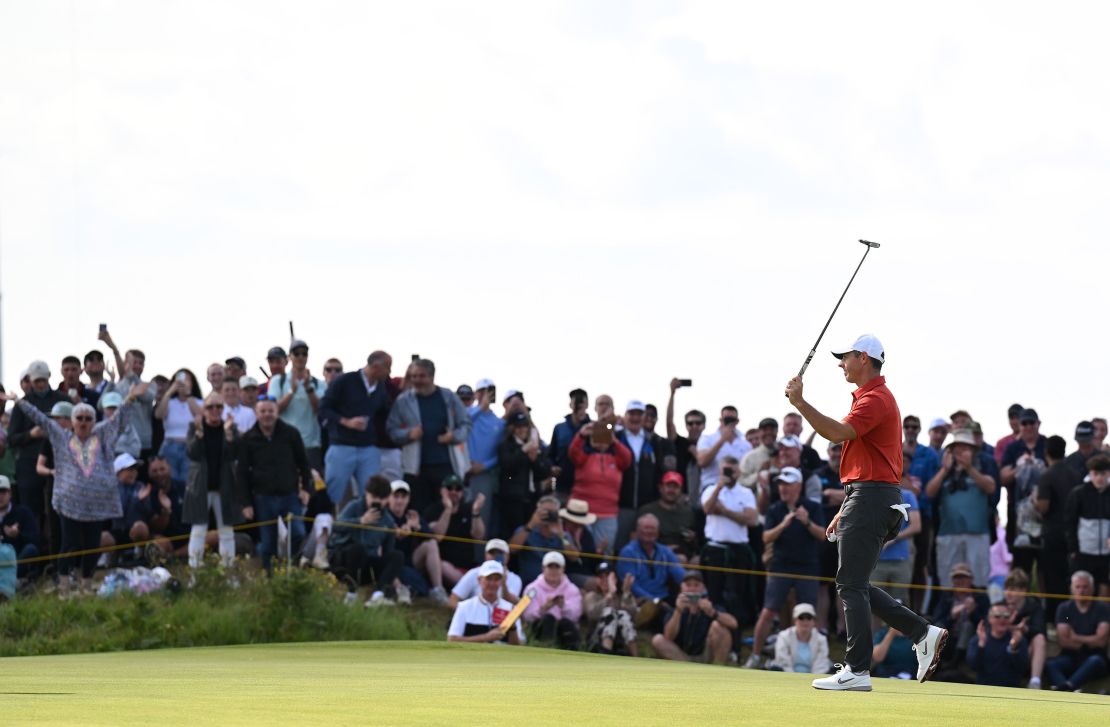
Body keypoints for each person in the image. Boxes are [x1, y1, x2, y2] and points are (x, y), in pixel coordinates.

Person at [785, 333, 941, 692]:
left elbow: (837, 433)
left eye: (846, 357)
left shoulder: (875, 399)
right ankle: (923, 632)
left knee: (849, 584)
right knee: (855, 583)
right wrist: (846, 505)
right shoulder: (872, 398)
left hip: (872, 497)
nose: (841, 363)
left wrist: (801, 403)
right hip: (869, 495)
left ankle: (857, 669)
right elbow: (865, 462)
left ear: (865, 357)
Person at [6, 384, 147, 593]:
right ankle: (63, 583)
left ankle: (86, 584)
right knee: (69, 544)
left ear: (94, 421)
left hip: (96, 504)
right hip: (69, 503)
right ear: (72, 422)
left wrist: (130, 399)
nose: (83, 422)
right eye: (79, 418)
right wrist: (18, 401)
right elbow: (40, 418)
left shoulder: (103, 435)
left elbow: (118, 419)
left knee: (91, 545)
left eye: (88, 418)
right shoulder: (61, 436)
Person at [748, 466, 825, 668]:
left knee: (808, 614)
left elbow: (823, 535)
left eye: (787, 484)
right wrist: (783, 524)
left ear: (798, 486)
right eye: (780, 484)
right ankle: (755, 657)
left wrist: (806, 521)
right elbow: (765, 537)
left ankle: (815, 661)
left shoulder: (813, 507)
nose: (783, 488)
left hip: (807, 568)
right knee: (768, 612)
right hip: (780, 566)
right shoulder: (775, 509)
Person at [387, 358, 472, 513]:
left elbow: (466, 425)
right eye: (413, 376)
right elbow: (392, 430)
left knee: (447, 510)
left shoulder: (448, 397)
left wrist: (452, 436)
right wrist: (409, 434)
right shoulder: (403, 400)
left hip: (446, 466)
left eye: (421, 376)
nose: (417, 380)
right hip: (415, 468)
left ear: (432, 376)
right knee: (417, 511)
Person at [237, 398, 312, 572]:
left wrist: (307, 489)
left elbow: (304, 464)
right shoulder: (248, 439)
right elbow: (242, 473)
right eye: (263, 411)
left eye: (270, 411)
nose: (267, 415)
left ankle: (292, 568)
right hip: (263, 496)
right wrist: (246, 503)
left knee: (298, 533)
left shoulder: (291, 433)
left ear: (277, 412)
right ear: (256, 414)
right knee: (268, 541)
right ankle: (269, 576)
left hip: (289, 494)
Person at [319, 351, 397, 505]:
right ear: (375, 367)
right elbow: (324, 408)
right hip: (341, 446)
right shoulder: (345, 381)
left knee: (372, 494)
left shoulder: (380, 388)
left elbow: (385, 413)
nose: (390, 372)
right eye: (387, 367)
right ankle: (330, 527)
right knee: (333, 494)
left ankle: (368, 525)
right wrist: (345, 421)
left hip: (368, 448)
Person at [925, 430, 996, 588]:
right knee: (947, 581)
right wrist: (944, 470)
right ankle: (949, 610)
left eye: (965, 447)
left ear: (973, 450)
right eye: (957, 447)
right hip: (948, 534)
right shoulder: (944, 471)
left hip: (977, 534)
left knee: (979, 581)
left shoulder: (982, 466)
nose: (961, 450)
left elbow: (991, 487)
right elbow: (929, 492)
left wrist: (970, 468)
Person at [183, 392, 242, 568]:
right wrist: (200, 433)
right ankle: (194, 571)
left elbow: (234, 454)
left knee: (227, 532)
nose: (215, 410)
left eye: (219, 406)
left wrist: (229, 435)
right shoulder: (194, 427)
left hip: (224, 486)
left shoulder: (231, 427)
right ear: (204, 409)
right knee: (198, 530)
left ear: (223, 409)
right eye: (210, 407)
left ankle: (228, 571)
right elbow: (192, 454)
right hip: (200, 486)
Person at [329, 475, 406, 607]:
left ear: (387, 499)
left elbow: (388, 551)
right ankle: (351, 594)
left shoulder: (387, 520)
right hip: (345, 561)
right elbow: (335, 526)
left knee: (397, 556)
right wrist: (360, 521)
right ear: (367, 494)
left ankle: (378, 595)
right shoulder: (354, 506)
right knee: (357, 549)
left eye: (381, 498)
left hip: (367, 564)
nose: (377, 501)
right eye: (374, 497)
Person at [6, 361, 65, 531]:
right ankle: (35, 551)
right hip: (29, 463)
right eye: (36, 381)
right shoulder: (21, 405)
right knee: (31, 511)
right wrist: (32, 434)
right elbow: (12, 439)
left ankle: (56, 555)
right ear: (31, 380)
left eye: (43, 380)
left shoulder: (61, 400)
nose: (40, 384)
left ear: (49, 378)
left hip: (57, 461)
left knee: (58, 512)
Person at [701, 457, 759, 629]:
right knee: (714, 592)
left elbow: (752, 519)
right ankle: (714, 628)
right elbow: (707, 509)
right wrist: (719, 487)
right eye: (725, 470)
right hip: (715, 549)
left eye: (732, 470)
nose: (729, 474)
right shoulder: (711, 489)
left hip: (738, 550)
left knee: (738, 593)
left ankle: (737, 629)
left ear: (738, 471)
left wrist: (725, 511)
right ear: (719, 470)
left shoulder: (745, 493)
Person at [616, 399, 673, 550]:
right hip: (622, 505)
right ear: (625, 415)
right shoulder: (616, 437)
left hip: (647, 507)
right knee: (620, 546)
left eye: (639, 414)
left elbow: (661, 471)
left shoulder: (654, 441)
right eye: (631, 414)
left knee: (646, 548)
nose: (635, 418)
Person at [567, 419, 632, 554]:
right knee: (581, 549)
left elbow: (627, 459)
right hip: (582, 513)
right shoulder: (583, 457)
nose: (600, 440)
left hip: (608, 514)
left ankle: (603, 574)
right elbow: (573, 452)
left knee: (605, 550)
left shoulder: (616, 460)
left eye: (603, 437)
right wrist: (582, 435)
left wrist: (614, 441)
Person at [1035, 435, 1082, 618]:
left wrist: (1035, 501)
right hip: (1074, 534)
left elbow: (1043, 507)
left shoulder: (1047, 475)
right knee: (1070, 576)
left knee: (1052, 579)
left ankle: (1056, 619)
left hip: (1053, 534)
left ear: (1046, 452)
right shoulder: (1076, 474)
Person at [651, 570, 738, 665]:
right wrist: (678, 611)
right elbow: (668, 636)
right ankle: (690, 669)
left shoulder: (709, 606)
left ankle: (716, 670)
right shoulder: (674, 608)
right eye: (688, 585)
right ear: (682, 588)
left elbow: (733, 623)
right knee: (658, 640)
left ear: (703, 588)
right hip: (681, 656)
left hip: (705, 654)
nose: (692, 589)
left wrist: (712, 612)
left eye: (696, 585)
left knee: (718, 627)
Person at [1045, 571, 1110, 691]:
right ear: (1072, 589)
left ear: (1092, 589)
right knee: (1051, 664)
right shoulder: (1065, 610)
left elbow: (1101, 641)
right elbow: (1063, 641)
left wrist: (1075, 637)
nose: (1081, 591)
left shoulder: (1102, 609)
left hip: (1096, 657)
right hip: (1071, 657)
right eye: (1078, 587)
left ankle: (1067, 688)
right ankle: (1067, 689)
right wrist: (1091, 640)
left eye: (1085, 587)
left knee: (1094, 661)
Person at [267, 339, 326, 471]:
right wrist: (291, 392)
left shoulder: (318, 383)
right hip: (284, 444)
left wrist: (309, 389)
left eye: (304, 354)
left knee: (312, 487)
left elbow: (321, 410)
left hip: (311, 446)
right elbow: (273, 410)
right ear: (290, 357)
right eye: (296, 353)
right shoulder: (278, 381)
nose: (300, 357)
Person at [385, 480, 446, 603]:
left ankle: (438, 590)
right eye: (396, 496)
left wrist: (418, 528)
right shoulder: (384, 515)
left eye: (403, 497)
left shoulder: (411, 516)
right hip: (387, 560)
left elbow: (433, 537)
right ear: (388, 498)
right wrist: (398, 533)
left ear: (408, 499)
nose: (399, 501)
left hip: (410, 560)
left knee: (431, 544)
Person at [929, 562, 991, 678]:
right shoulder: (946, 596)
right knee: (938, 627)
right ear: (952, 580)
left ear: (971, 579)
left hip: (971, 639)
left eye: (963, 577)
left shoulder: (981, 597)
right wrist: (951, 616)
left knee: (968, 626)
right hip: (948, 638)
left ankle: (955, 663)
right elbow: (936, 619)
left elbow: (987, 622)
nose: (960, 581)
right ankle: (935, 663)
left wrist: (973, 612)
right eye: (957, 577)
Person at [497, 411, 551, 539]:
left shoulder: (537, 447)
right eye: (518, 426)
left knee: (532, 536)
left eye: (524, 426)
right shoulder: (506, 446)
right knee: (514, 534)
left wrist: (534, 460)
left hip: (532, 499)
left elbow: (544, 473)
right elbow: (507, 467)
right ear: (513, 428)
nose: (522, 430)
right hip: (513, 500)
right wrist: (523, 451)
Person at [1063, 454, 1110, 597]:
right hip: (1083, 552)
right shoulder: (1079, 493)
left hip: (1105, 553)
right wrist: (1073, 549)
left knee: (1104, 588)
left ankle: (1102, 618)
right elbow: (1070, 523)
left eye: (1103, 473)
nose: (1099, 478)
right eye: (1096, 474)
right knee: (1082, 588)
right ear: (1090, 473)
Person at [871, 468, 920, 604]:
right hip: (876, 559)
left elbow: (916, 525)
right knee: (873, 603)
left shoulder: (908, 495)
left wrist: (893, 538)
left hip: (900, 559)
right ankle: (875, 627)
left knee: (901, 603)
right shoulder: (871, 497)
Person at [424, 474, 485, 582]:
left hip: (468, 567)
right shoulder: (433, 510)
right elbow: (438, 535)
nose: (453, 492)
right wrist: (448, 509)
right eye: (449, 488)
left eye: (458, 489)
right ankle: (468, 587)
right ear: (442, 491)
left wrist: (476, 512)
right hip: (445, 567)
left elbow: (479, 535)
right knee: (443, 565)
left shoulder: (467, 509)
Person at [447, 560, 524, 644]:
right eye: (488, 578)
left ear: (502, 581)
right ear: (479, 580)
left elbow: (518, 646)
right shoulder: (464, 607)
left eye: (496, 579)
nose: (492, 583)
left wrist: (513, 628)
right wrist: (486, 637)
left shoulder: (510, 609)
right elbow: (452, 639)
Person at [616, 514, 685, 605]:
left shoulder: (665, 552)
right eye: (646, 528)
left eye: (653, 528)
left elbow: (680, 575)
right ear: (638, 530)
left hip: (663, 599)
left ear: (658, 531)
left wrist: (695, 588)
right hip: (638, 600)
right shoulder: (628, 552)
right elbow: (633, 586)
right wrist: (654, 601)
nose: (649, 531)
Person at [466, 379, 503, 542]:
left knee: (482, 516)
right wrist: (481, 408)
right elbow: (462, 424)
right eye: (482, 391)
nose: (486, 394)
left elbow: (499, 454)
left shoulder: (499, 423)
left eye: (490, 391)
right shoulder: (467, 413)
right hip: (462, 472)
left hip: (483, 475)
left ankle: (480, 560)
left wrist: (484, 466)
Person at [522, 551, 583, 650]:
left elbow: (576, 615)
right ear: (543, 569)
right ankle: (546, 648)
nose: (553, 570)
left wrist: (563, 606)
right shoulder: (531, 589)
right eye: (550, 567)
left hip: (564, 629)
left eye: (557, 567)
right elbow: (527, 616)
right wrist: (543, 608)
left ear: (563, 569)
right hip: (540, 629)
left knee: (565, 623)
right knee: (548, 619)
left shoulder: (573, 589)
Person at [153, 369, 204, 483]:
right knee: (169, 481)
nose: (183, 383)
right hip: (169, 446)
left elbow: (201, 415)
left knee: (188, 482)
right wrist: (169, 392)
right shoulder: (169, 402)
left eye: (187, 380)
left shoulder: (200, 402)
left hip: (190, 446)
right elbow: (159, 415)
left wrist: (188, 395)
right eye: (180, 380)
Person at [1001, 568, 1048, 689]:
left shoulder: (1034, 607)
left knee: (1039, 638)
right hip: (1003, 652)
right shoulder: (1000, 606)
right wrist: (1010, 626)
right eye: (1006, 589)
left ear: (1024, 591)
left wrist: (1025, 629)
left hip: (1026, 652)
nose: (1008, 593)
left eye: (1012, 589)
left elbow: (1040, 630)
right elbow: (990, 628)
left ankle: (1035, 682)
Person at [637, 471, 697, 561]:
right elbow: (635, 539)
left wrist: (692, 537)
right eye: (668, 486)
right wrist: (663, 550)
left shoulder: (688, 512)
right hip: (655, 555)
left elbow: (695, 543)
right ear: (660, 488)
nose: (671, 490)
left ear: (681, 490)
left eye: (676, 487)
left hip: (685, 554)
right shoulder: (647, 510)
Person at [664, 381, 706, 507]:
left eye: (698, 423)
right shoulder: (681, 442)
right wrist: (672, 394)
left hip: (704, 499)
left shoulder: (709, 445)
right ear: (686, 426)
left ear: (703, 426)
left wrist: (698, 455)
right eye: (690, 423)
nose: (694, 426)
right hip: (680, 498)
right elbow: (669, 423)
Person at [967, 603, 1029, 688]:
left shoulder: (1018, 639)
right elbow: (973, 665)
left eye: (1006, 616)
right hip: (984, 689)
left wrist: (1013, 648)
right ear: (989, 619)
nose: (1002, 619)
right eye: (997, 616)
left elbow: (1022, 668)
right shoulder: (978, 639)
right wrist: (981, 645)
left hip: (1010, 691)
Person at [449, 538, 522, 609]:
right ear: (485, 555)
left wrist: (503, 583)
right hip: (475, 614)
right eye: (492, 553)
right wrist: (468, 613)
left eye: (500, 553)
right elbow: (453, 600)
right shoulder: (474, 573)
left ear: (508, 556)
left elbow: (512, 605)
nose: (496, 556)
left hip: (500, 618)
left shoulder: (515, 579)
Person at [584, 563, 639, 656]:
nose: (605, 580)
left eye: (608, 577)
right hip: (597, 640)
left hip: (620, 639)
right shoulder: (591, 596)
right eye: (601, 577)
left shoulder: (622, 596)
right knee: (609, 612)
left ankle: (637, 659)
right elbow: (592, 615)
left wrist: (626, 593)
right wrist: (609, 595)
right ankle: (605, 655)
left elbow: (634, 616)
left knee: (623, 614)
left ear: (615, 579)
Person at [508, 495, 564, 585]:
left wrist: (562, 536)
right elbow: (512, 549)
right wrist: (531, 525)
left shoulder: (561, 535)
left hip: (555, 587)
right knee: (525, 600)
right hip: (529, 587)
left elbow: (574, 557)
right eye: (545, 512)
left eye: (552, 512)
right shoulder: (525, 531)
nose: (548, 515)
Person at [696, 406, 752, 494]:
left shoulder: (746, 445)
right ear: (721, 420)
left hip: (737, 487)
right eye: (726, 419)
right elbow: (702, 462)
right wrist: (722, 440)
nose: (729, 422)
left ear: (737, 421)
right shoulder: (707, 439)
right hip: (712, 485)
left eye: (732, 419)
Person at [0, 474, 43, 580]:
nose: (0, 496)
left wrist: (17, 535)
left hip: (17, 559)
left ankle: (8, 579)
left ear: (10, 493)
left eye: (3, 492)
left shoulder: (23, 512)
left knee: (31, 549)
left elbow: (36, 540)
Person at [549, 388, 590, 498]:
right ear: (570, 404)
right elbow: (551, 454)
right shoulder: (559, 428)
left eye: (582, 401)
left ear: (587, 404)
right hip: (562, 487)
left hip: (586, 487)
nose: (578, 405)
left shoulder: (592, 428)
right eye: (575, 401)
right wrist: (552, 467)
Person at [769, 603, 831, 674]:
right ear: (795, 620)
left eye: (809, 618)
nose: (805, 621)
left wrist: (812, 680)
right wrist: (793, 679)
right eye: (801, 618)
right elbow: (783, 662)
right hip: (787, 677)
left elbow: (821, 665)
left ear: (813, 621)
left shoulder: (821, 640)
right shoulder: (783, 636)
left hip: (813, 680)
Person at [739, 417, 778, 489]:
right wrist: (758, 475)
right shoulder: (750, 457)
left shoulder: (784, 452)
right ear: (759, 432)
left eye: (772, 430)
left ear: (777, 432)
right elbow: (741, 482)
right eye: (765, 430)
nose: (768, 433)